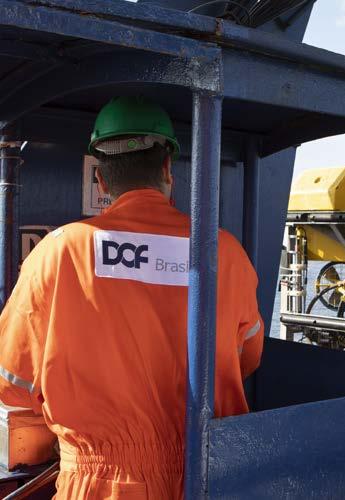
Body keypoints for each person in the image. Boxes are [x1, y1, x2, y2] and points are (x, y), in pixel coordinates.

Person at [0, 96, 263, 499]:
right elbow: (246, 358)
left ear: (102, 180)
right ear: (167, 168)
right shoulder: (223, 251)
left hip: (102, 484)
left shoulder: (58, 251)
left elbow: (13, 381)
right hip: (209, 478)